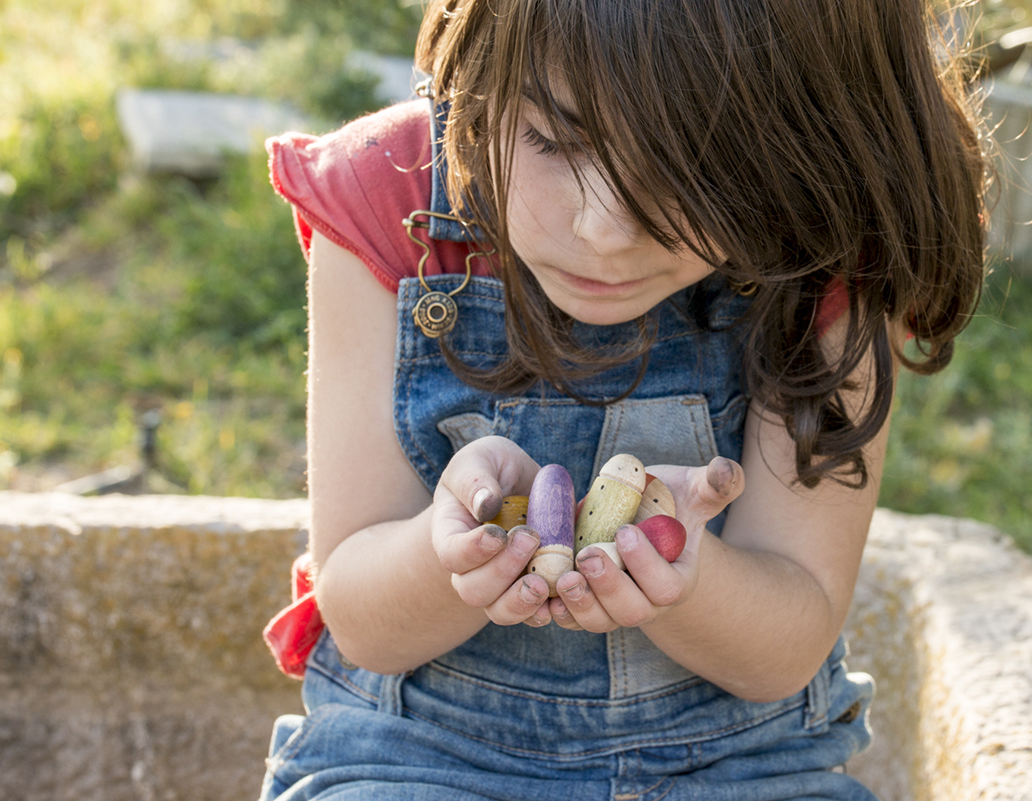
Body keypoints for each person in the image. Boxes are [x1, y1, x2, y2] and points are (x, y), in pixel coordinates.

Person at [258, 0, 990, 798]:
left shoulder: (826, 243)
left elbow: (787, 644)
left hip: (735, 759)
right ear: (483, 73)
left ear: (804, 142)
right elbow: (359, 618)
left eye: (690, 167)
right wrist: (449, 559)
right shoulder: (387, 198)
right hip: (417, 746)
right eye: (554, 139)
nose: (603, 228)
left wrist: (688, 580)